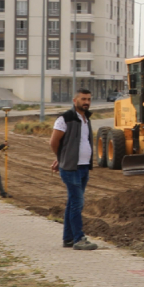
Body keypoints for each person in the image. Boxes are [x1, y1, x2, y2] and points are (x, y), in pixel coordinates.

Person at [49, 89, 99, 250]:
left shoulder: (86, 118)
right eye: (83, 99)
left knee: (72, 203)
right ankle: (79, 239)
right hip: (71, 169)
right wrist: (62, 158)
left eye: (89, 99)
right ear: (74, 100)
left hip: (84, 167)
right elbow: (54, 142)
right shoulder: (65, 119)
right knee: (78, 203)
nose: (86, 102)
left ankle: (68, 239)